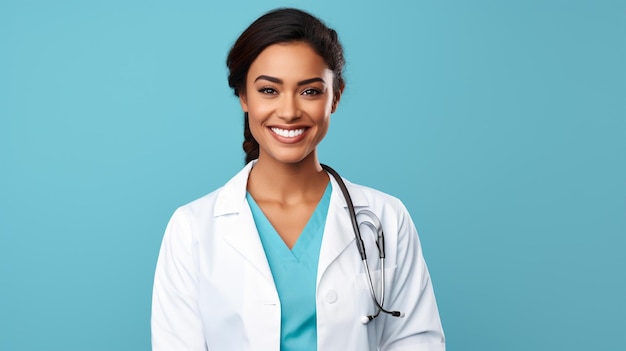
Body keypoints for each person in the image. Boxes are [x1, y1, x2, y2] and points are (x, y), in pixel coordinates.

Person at [151, 7, 445, 351]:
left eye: (310, 91)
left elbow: (416, 343)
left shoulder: (387, 218)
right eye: (269, 91)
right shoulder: (192, 229)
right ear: (244, 97)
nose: (289, 111)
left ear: (335, 97)